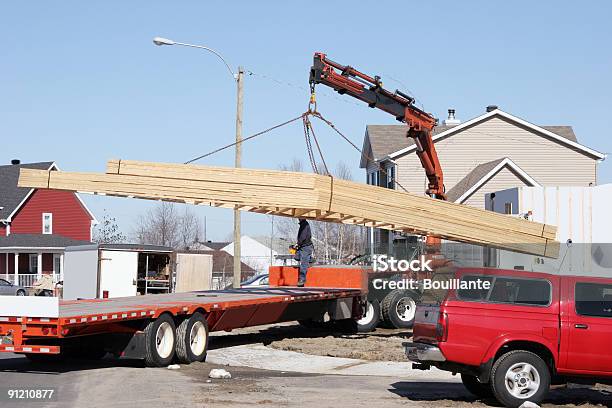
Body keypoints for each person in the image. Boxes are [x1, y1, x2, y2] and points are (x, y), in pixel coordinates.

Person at [295, 218, 313, 286]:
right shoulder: (303, 224)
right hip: (303, 246)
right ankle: (310, 259)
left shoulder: (305, 225)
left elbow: (303, 236)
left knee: (303, 263)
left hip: (305, 246)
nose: (298, 219)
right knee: (296, 257)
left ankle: (302, 280)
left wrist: (298, 243)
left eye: (299, 218)